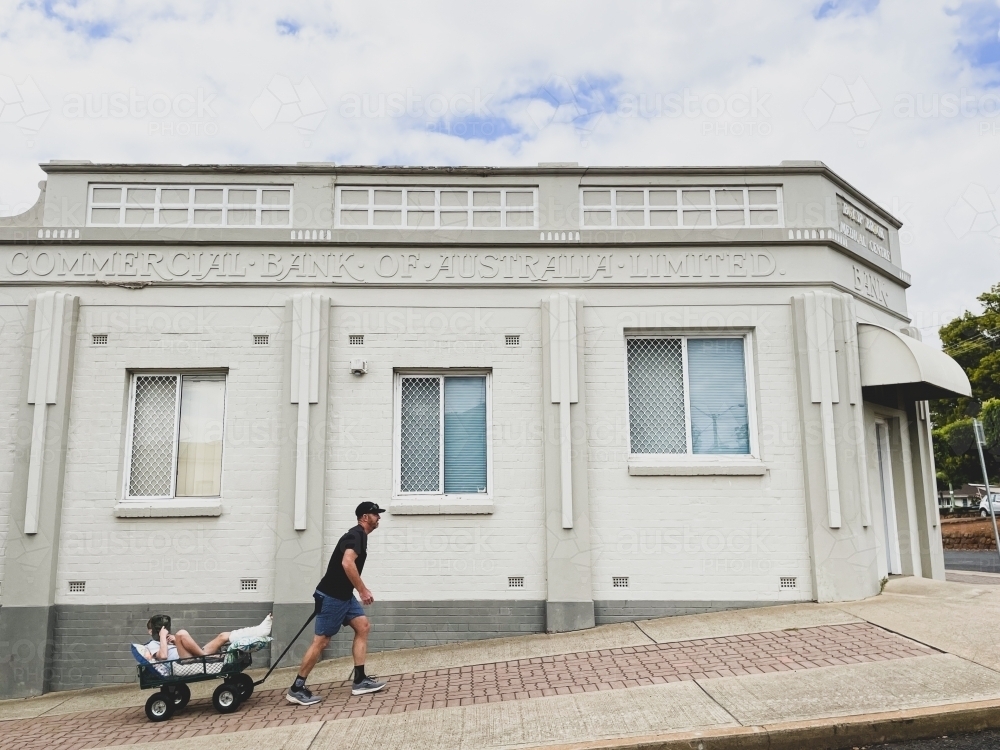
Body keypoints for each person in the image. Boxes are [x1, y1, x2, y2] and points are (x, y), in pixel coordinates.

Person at [287, 501, 387, 705]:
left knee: (363, 626)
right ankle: (297, 687)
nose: (379, 518)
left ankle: (359, 680)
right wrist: (363, 590)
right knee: (322, 641)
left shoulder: (359, 536)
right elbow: (347, 562)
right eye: (375, 514)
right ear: (365, 517)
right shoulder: (356, 534)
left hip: (344, 596)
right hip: (332, 596)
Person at [145, 614, 231, 661]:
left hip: (195, 655)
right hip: (183, 660)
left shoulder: (169, 640)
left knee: (223, 636)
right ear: (150, 631)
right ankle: (206, 656)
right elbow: (163, 656)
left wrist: (175, 641)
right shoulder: (152, 644)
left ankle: (242, 637)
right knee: (181, 633)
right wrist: (163, 637)